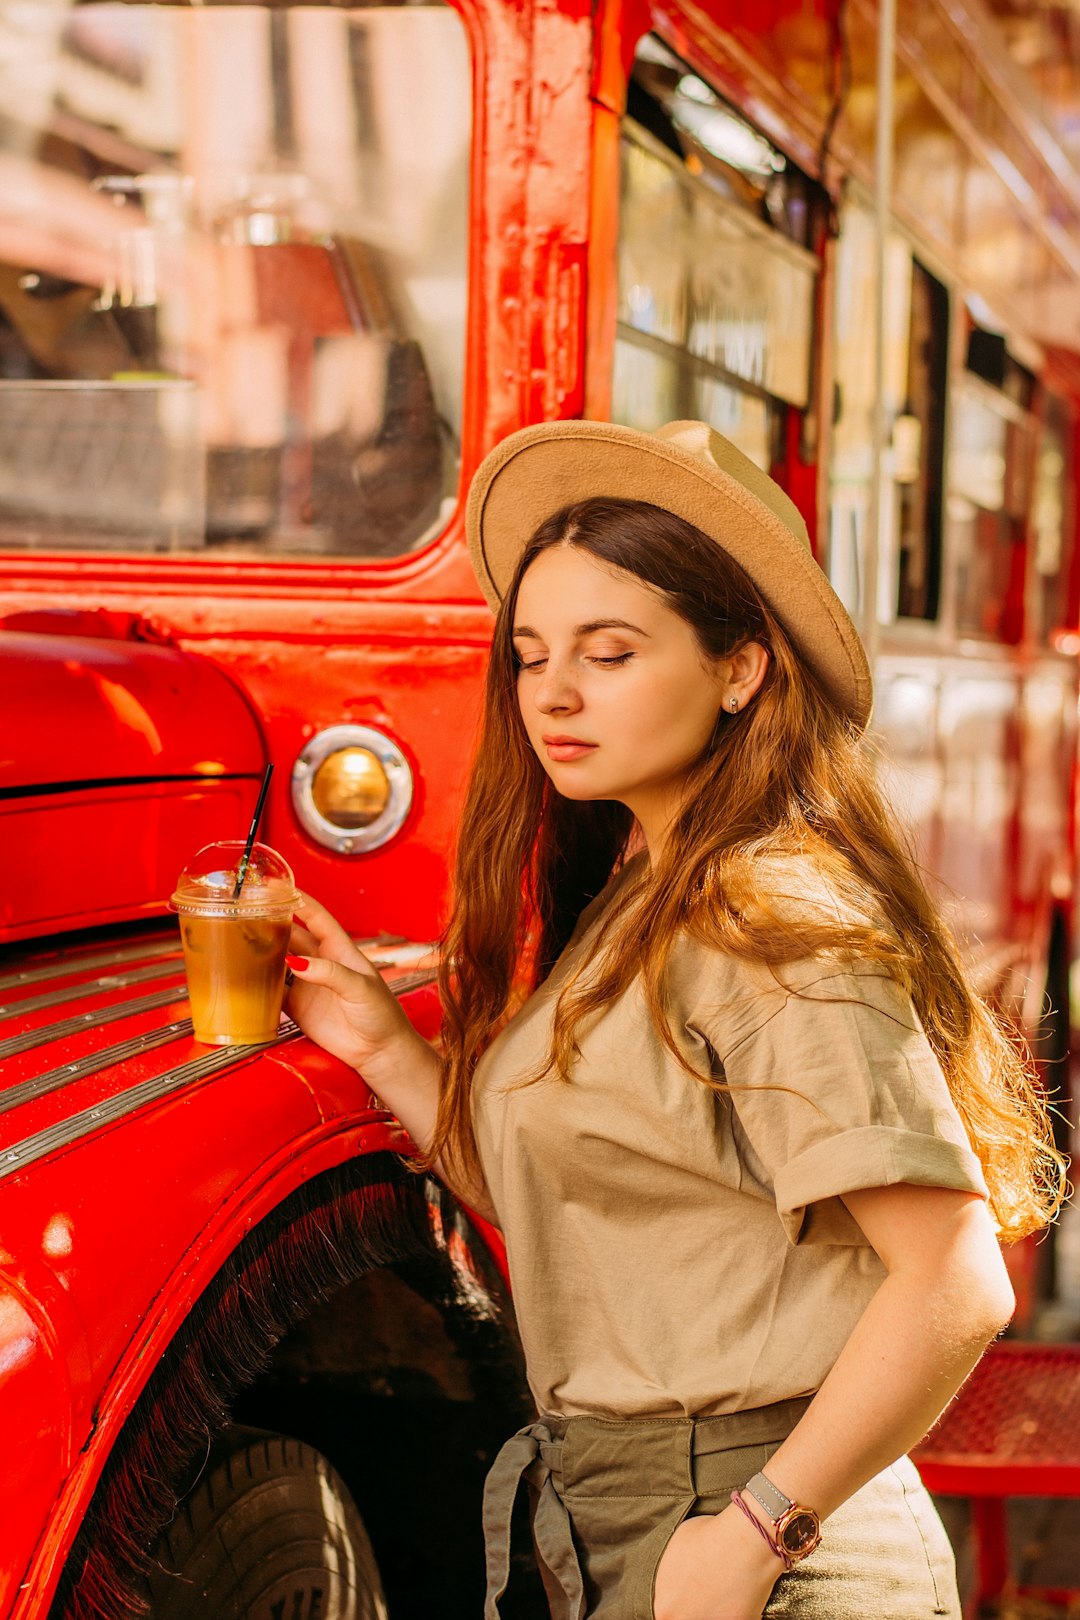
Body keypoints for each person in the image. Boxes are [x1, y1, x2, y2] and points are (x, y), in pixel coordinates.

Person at [283, 419, 1064, 1620]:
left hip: (761, 1535)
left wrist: (754, 1534)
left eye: (610, 653)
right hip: (637, 1516)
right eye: (533, 654)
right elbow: (594, 1217)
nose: (553, 693)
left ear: (741, 668)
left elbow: (957, 1282)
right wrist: (386, 1043)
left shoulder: (768, 919)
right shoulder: (644, 892)